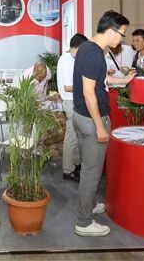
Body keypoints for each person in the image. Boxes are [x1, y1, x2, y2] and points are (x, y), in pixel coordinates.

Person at [72, 11, 136, 237]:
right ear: (110, 31)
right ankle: (84, 222)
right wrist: (100, 126)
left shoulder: (88, 48)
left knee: (88, 168)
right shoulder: (94, 54)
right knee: (92, 173)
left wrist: (124, 80)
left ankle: (88, 205)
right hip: (92, 121)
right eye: (122, 34)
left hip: (82, 117)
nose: (122, 39)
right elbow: (89, 93)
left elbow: (101, 80)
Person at [56, 33, 89, 182]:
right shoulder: (68, 61)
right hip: (71, 102)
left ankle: (74, 165)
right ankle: (68, 170)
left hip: (72, 102)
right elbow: (69, 87)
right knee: (72, 138)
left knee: (76, 137)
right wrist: (89, 85)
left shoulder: (66, 58)